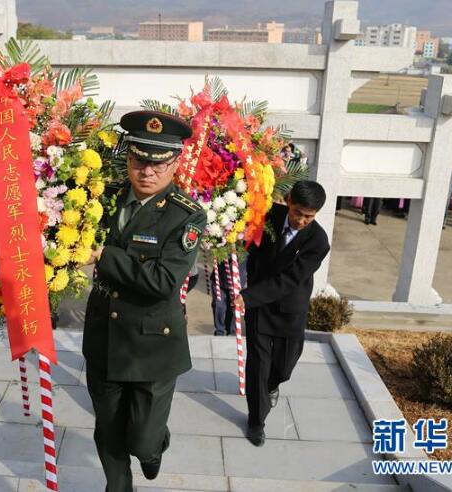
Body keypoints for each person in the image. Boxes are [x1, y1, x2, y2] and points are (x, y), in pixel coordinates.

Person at [83, 111, 206, 492]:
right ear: (129, 157)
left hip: (151, 346)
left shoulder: (186, 216)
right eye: (139, 160)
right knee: (108, 431)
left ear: (174, 163)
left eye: (158, 163)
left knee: (141, 439)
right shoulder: (103, 199)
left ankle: (154, 448)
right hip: (105, 339)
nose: (147, 172)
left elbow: (163, 281)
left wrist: (104, 255)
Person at [236, 180, 330, 447]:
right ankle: (257, 420)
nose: (301, 220)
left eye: (308, 216)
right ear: (288, 201)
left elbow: (289, 280)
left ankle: (272, 385)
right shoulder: (268, 216)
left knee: (283, 367)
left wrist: (248, 296)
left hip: (290, 309)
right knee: (258, 367)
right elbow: (247, 236)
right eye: (297, 212)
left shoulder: (318, 241)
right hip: (259, 308)